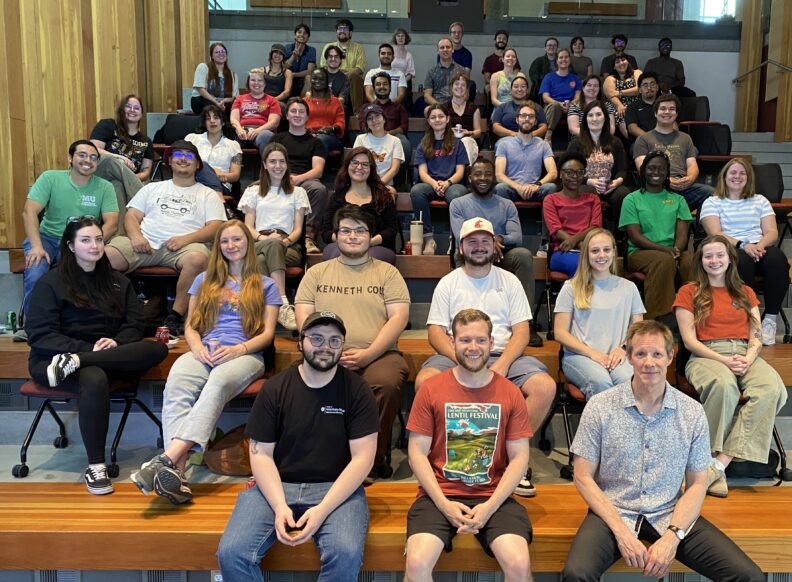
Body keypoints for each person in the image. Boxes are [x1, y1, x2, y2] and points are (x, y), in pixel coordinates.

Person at [561, 319, 764, 582]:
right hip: (613, 511)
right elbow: (582, 476)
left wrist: (673, 536)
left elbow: (698, 483)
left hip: (669, 512)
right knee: (576, 574)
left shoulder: (691, 412)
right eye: (641, 354)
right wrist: (621, 532)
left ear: (670, 356)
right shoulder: (600, 406)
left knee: (750, 577)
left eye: (657, 354)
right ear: (629, 357)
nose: (649, 362)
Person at [217, 311, 379, 582]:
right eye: (316, 338)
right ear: (301, 341)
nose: (325, 347)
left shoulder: (357, 390)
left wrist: (323, 509)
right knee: (232, 553)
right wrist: (280, 506)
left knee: (345, 552)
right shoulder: (276, 389)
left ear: (342, 346)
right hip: (278, 484)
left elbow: (362, 459)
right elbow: (261, 455)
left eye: (334, 341)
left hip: (336, 488)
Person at [131, 220, 280, 504]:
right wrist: (197, 346)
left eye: (237, 240)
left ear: (248, 243)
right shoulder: (204, 280)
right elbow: (191, 325)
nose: (231, 246)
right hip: (205, 350)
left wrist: (239, 349)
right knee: (176, 381)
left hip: (246, 354)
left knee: (218, 381)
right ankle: (178, 476)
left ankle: (168, 458)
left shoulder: (266, 284)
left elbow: (269, 334)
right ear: (218, 247)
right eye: (225, 241)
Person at [25, 217, 168, 495]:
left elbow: (134, 325)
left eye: (99, 239)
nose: (94, 245)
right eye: (86, 240)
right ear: (70, 245)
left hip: (102, 356)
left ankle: (80, 362)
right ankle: (96, 466)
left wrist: (115, 342)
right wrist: (87, 349)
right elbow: (40, 335)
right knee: (93, 376)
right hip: (54, 361)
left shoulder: (117, 281)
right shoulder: (50, 282)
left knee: (158, 348)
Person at [416, 217, 557, 497]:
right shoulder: (448, 283)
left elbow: (521, 331)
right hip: (457, 353)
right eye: (472, 241)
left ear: (495, 246)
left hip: (501, 353)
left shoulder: (510, 281)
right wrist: (461, 360)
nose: (479, 247)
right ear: (460, 247)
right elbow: (435, 332)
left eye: (485, 241)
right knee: (425, 380)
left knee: (545, 386)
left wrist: (502, 364)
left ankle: (508, 460)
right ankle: (444, 460)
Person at [405, 308, 534, 582]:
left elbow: (520, 458)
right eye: (465, 340)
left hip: (493, 495)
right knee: (416, 563)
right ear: (452, 342)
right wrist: (443, 504)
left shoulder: (510, 392)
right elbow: (416, 453)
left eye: (480, 340)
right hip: (438, 493)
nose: (472, 347)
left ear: (491, 343)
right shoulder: (431, 389)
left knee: (519, 564)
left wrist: (489, 507)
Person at [295, 205, 410, 481]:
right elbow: (304, 319)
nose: (353, 236)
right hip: (325, 352)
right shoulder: (317, 273)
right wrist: (327, 351)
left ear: (370, 237)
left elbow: (398, 318)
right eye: (346, 230)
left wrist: (369, 354)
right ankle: (326, 458)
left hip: (379, 354)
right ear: (335, 236)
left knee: (386, 381)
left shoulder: (387, 273)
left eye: (360, 231)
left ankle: (370, 461)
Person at [674, 234, 787, 498]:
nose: (714, 260)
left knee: (773, 389)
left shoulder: (745, 292)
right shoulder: (689, 291)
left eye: (719, 255)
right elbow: (689, 341)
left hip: (745, 353)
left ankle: (717, 465)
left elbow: (756, 334)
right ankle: (708, 459)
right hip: (707, 354)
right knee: (724, 386)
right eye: (708, 256)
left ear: (729, 259)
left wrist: (749, 357)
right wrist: (724, 360)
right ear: (701, 261)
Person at [104, 140, 227, 337]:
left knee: (199, 259)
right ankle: (110, 314)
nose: (184, 160)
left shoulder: (208, 194)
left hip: (184, 248)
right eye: (178, 155)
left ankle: (175, 317)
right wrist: (135, 236)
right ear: (169, 161)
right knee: (105, 256)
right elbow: (131, 216)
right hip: (143, 243)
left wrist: (186, 239)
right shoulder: (152, 188)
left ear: (198, 165)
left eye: (189, 156)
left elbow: (216, 226)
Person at [21, 140, 118, 323]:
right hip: (47, 238)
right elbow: (29, 212)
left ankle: (74, 323)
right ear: (70, 158)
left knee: (82, 273)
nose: (87, 160)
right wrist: (36, 246)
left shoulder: (105, 186)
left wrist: (93, 244)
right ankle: (34, 325)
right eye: (82, 155)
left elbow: (112, 223)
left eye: (93, 157)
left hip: (82, 242)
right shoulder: (50, 178)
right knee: (35, 270)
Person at [700, 158, 789, 344]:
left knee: (778, 260)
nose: (737, 177)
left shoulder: (760, 201)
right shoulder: (712, 202)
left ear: (749, 178)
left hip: (759, 246)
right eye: (733, 172)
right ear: (724, 176)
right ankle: (746, 319)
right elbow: (715, 233)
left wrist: (760, 245)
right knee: (742, 260)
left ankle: (769, 320)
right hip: (730, 248)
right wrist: (743, 245)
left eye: (742, 173)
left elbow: (772, 231)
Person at [554, 228, 645, 397]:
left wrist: (623, 348)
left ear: (613, 252)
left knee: (630, 381)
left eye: (606, 249)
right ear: (586, 254)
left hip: (618, 356)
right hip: (580, 357)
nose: (601, 255)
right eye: (595, 251)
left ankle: (626, 424)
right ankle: (603, 425)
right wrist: (593, 354)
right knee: (601, 383)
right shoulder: (571, 287)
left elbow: (638, 328)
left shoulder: (629, 287)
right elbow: (560, 333)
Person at [449, 158, 539, 328]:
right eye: (478, 174)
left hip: (501, 255)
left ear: (495, 178)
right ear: (469, 178)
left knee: (523, 255)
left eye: (488, 174)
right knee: (458, 253)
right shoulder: (458, 204)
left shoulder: (507, 204)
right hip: (472, 255)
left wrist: (499, 239)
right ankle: (464, 322)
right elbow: (462, 235)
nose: (483, 178)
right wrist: (489, 242)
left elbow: (516, 236)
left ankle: (526, 324)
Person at [239, 142, 311, 331]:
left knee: (263, 259)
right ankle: (282, 305)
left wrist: (284, 241)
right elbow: (248, 227)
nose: (277, 166)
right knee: (267, 249)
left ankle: (259, 314)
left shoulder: (298, 192)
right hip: (258, 242)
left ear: (287, 164)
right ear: (264, 164)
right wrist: (265, 239)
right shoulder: (252, 191)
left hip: (288, 246)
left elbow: (297, 230)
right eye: (272, 162)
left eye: (281, 161)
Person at [620, 150, 693, 321]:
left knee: (692, 260)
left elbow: (683, 233)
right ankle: (657, 317)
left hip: (672, 250)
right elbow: (635, 235)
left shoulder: (678, 200)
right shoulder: (632, 199)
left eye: (661, 169)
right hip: (639, 252)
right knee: (663, 260)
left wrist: (676, 249)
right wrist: (665, 250)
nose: (656, 172)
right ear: (643, 171)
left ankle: (693, 313)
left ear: (667, 172)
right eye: (651, 168)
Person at [634, 94, 714, 211]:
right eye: (663, 109)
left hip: (683, 187)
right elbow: (642, 168)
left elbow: (692, 165)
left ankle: (698, 229)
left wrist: (690, 179)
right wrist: (667, 180)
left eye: (672, 109)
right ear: (656, 113)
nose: (667, 112)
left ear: (676, 114)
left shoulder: (685, 138)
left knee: (711, 194)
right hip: (657, 186)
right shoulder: (643, 139)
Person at [409, 104, 470, 255]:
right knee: (416, 191)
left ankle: (454, 240)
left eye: (441, 116)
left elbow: (460, 171)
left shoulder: (458, 143)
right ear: (428, 121)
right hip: (431, 183)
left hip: (453, 183)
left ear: (448, 119)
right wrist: (434, 183)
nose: (437, 120)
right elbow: (422, 173)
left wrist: (447, 183)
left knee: (457, 195)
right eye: (433, 117)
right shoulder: (424, 144)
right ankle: (429, 239)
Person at [321, 147, 399, 264]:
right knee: (335, 253)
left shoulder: (383, 196)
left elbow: (391, 230)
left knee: (368, 259)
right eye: (355, 163)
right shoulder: (337, 198)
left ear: (371, 169)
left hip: (376, 246)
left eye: (365, 164)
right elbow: (326, 232)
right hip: (342, 247)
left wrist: (368, 242)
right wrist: (346, 241)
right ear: (347, 166)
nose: (359, 167)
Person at [271, 97, 328, 254]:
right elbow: (269, 164)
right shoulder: (277, 139)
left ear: (307, 116)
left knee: (319, 189)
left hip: (306, 180)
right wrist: (283, 179)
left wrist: (297, 179)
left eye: (301, 111)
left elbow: (318, 170)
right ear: (287, 116)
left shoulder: (316, 143)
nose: (297, 114)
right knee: (252, 189)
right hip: (278, 178)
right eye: (293, 111)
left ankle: (309, 237)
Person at [566, 101, 629, 226]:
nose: (594, 119)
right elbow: (569, 171)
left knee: (623, 195)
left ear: (605, 118)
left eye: (598, 115)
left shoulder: (615, 142)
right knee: (587, 193)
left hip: (609, 185)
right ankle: (588, 232)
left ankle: (619, 235)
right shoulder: (576, 143)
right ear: (585, 119)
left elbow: (622, 169)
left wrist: (617, 181)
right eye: (590, 115)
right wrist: (589, 181)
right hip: (585, 184)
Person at [542, 152, 602, 277]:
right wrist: (580, 245)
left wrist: (576, 241)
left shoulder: (593, 199)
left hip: (590, 250)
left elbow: (595, 228)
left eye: (579, 172)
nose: (575, 176)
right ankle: (581, 297)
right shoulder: (550, 199)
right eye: (569, 172)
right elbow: (556, 230)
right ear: (560, 174)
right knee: (581, 264)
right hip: (562, 252)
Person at [494, 102, 557, 202]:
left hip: (534, 190)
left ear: (535, 121)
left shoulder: (543, 145)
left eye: (531, 116)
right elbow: (499, 175)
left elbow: (553, 173)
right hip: (513, 189)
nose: (527, 119)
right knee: (500, 188)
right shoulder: (504, 145)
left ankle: (544, 217)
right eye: (523, 116)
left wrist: (537, 185)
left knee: (551, 187)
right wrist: (518, 187)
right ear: (517, 119)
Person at [90, 94, 154, 182]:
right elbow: (93, 150)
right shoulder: (107, 125)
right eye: (128, 106)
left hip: (131, 182)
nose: (132, 110)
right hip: (105, 178)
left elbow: (145, 172)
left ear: (142, 113)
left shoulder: (146, 141)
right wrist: (119, 158)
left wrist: (127, 179)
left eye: (136, 108)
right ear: (121, 110)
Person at [185, 104, 243, 196]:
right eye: (208, 119)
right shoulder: (192, 139)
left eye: (216, 118)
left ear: (223, 122)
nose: (212, 121)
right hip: (195, 182)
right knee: (202, 166)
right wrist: (216, 173)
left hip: (221, 186)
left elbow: (235, 176)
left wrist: (215, 176)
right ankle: (222, 202)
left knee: (201, 166)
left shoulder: (234, 145)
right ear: (204, 123)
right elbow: (185, 163)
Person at [353, 102, 405, 196]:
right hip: (363, 183)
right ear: (367, 124)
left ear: (384, 119)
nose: (374, 120)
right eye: (370, 118)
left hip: (384, 185)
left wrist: (378, 185)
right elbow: (357, 165)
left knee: (391, 193)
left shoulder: (395, 141)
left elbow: (395, 168)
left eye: (377, 116)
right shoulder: (360, 139)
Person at [230, 68, 281, 158]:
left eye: (260, 80)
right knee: (230, 143)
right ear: (248, 83)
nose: (256, 83)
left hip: (263, 132)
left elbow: (274, 122)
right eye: (253, 80)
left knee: (266, 136)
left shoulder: (272, 100)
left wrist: (257, 131)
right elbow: (234, 118)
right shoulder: (239, 99)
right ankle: (233, 171)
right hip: (242, 132)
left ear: (265, 83)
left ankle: (267, 170)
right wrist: (239, 129)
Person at [319, 19, 366, 113]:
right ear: (336, 32)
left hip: (350, 79)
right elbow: (323, 66)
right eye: (340, 28)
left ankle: (357, 115)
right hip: (332, 75)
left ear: (350, 33)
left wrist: (343, 76)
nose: (342, 31)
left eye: (345, 29)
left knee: (354, 77)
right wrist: (337, 74)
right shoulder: (329, 46)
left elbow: (360, 68)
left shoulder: (358, 48)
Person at [539, 48, 581, 143]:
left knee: (579, 106)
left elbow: (578, 97)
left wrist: (570, 104)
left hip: (570, 106)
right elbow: (545, 98)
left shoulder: (575, 78)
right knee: (556, 106)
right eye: (561, 57)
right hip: (552, 107)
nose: (564, 59)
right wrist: (559, 104)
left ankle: (577, 139)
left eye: (566, 57)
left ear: (569, 60)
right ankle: (548, 135)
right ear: (557, 61)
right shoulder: (549, 77)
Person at [369, 70, 411, 163]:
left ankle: (399, 177)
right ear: (374, 88)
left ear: (390, 88)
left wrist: (390, 133)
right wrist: (379, 134)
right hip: (373, 137)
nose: (382, 87)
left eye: (385, 84)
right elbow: (364, 126)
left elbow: (404, 126)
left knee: (405, 144)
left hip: (394, 137)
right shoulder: (367, 108)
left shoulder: (399, 107)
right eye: (378, 84)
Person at [490, 76, 549, 143]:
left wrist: (531, 135)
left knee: (541, 145)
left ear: (527, 90)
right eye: (516, 86)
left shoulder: (537, 107)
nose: (519, 89)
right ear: (511, 90)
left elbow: (543, 127)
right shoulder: (502, 107)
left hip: (532, 139)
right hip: (507, 139)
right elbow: (495, 127)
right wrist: (512, 134)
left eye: (523, 86)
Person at [305, 67, 346, 155]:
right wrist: (307, 131)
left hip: (330, 137)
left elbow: (341, 124)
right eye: (315, 78)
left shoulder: (335, 101)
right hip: (308, 136)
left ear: (327, 82)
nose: (317, 81)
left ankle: (318, 168)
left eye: (321, 79)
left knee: (319, 140)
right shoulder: (304, 102)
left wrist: (331, 128)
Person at [190, 42, 239, 116]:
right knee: (213, 107)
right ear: (212, 56)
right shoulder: (203, 67)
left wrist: (223, 101)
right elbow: (201, 90)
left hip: (222, 102)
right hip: (203, 100)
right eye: (217, 52)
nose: (221, 54)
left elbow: (233, 97)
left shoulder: (233, 75)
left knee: (233, 108)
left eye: (223, 51)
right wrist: (216, 102)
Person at [448, 73, 483, 164]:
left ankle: (466, 172)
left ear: (467, 89)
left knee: (465, 141)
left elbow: (478, 132)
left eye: (463, 85)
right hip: (450, 141)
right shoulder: (444, 108)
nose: (460, 87)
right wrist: (449, 131)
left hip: (469, 141)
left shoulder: (474, 108)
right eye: (457, 84)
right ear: (451, 87)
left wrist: (468, 133)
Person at [423, 38, 466, 107]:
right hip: (437, 107)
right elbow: (427, 96)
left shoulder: (462, 70)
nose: (445, 49)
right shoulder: (431, 72)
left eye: (448, 47)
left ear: (452, 50)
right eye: (442, 47)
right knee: (427, 111)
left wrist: (455, 106)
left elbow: (466, 94)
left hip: (457, 106)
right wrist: (440, 107)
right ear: (438, 51)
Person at [311, 45, 350, 113]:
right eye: (330, 56)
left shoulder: (345, 78)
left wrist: (329, 101)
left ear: (341, 60)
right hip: (316, 103)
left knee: (344, 108)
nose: (333, 59)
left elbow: (341, 99)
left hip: (334, 106)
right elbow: (309, 93)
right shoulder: (318, 73)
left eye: (336, 57)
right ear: (326, 59)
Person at [603, 55, 642, 120]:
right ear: (614, 67)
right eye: (617, 62)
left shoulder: (637, 72)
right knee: (620, 114)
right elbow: (610, 94)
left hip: (636, 105)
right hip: (618, 106)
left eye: (623, 60)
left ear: (628, 62)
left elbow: (639, 89)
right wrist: (619, 105)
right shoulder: (610, 78)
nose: (621, 63)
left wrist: (619, 93)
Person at [625, 72, 659, 142]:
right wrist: (653, 140)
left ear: (657, 87)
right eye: (645, 85)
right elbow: (632, 128)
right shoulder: (632, 107)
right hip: (642, 142)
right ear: (640, 90)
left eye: (652, 84)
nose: (649, 88)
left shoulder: (663, 104)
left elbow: (673, 124)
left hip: (665, 141)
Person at [284, 23, 316, 97]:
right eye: (299, 32)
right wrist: (293, 56)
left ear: (308, 38)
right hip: (287, 77)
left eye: (305, 33)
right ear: (295, 35)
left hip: (302, 79)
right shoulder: (287, 48)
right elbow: (283, 67)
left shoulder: (311, 50)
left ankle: (301, 102)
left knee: (309, 77)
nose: (302, 35)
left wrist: (294, 74)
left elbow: (309, 71)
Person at [528, 37, 558, 103]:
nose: (552, 47)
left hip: (559, 91)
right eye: (549, 45)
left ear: (557, 48)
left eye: (554, 45)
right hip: (540, 92)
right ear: (545, 48)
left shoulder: (563, 61)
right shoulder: (538, 61)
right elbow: (533, 76)